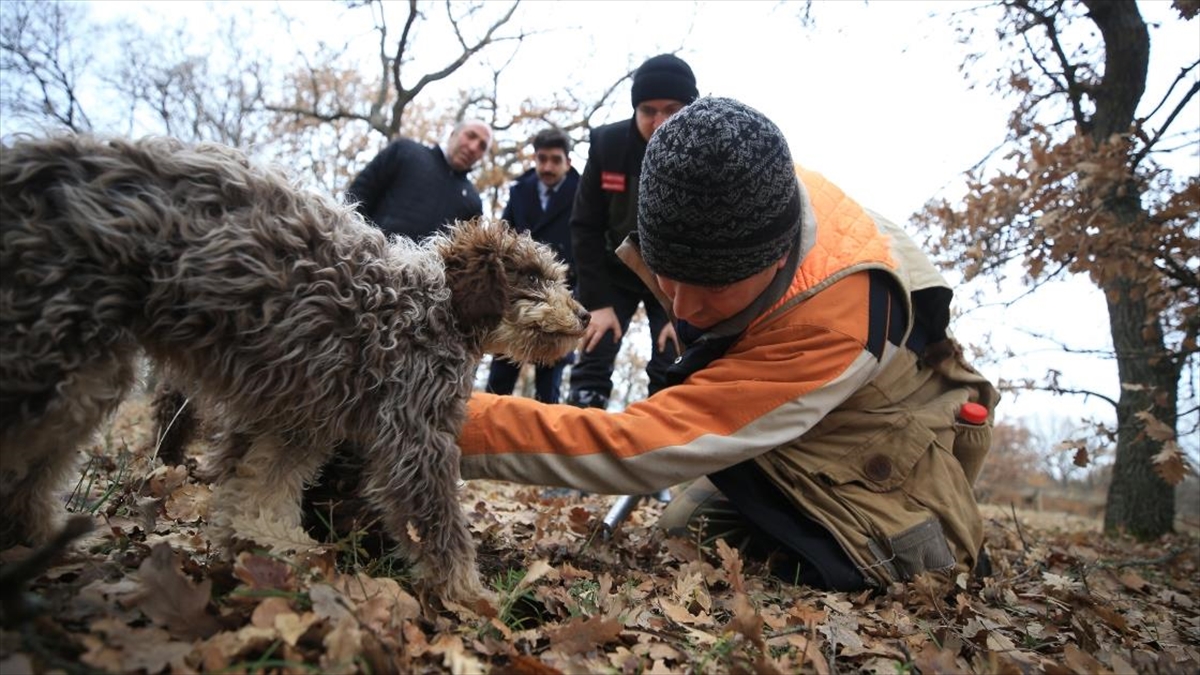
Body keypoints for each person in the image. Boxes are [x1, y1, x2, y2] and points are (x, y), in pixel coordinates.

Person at [457, 97, 1000, 592]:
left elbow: (642, 446)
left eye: (711, 291)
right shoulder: (743, 179)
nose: (685, 311)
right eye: (666, 277)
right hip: (827, 400)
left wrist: (449, 417)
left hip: (884, 443)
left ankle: (920, 530)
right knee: (683, 529)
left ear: (778, 258)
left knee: (852, 557)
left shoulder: (830, 324)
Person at [566, 53, 699, 410]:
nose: (659, 122)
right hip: (612, 271)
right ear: (635, 109)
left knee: (674, 358)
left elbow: (707, 240)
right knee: (595, 345)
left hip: (673, 277)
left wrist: (687, 316)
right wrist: (597, 303)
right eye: (648, 111)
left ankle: (664, 446)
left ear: (691, 108)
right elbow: (585, 225)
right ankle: (580, 435)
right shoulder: (608, 145)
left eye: (672, 109)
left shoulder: (707, 151)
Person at [486, 127, 581, 403]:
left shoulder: (584, 194)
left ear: (568, 162)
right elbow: (503, 239)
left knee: (548, 388)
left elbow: (589, 250)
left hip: (562, 298)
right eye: (542, 159)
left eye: (555, 159)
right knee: (499, 379)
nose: (547, 166)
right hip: (518, 301)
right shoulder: (518, 192)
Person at [345, 119, 492, 239]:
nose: (473, 147)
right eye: (471, 136)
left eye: (482, 146)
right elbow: (358, 196)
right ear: (453, 133)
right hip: (368, 262)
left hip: (428, 274)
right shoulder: (405, 151)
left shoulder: (473, 202)